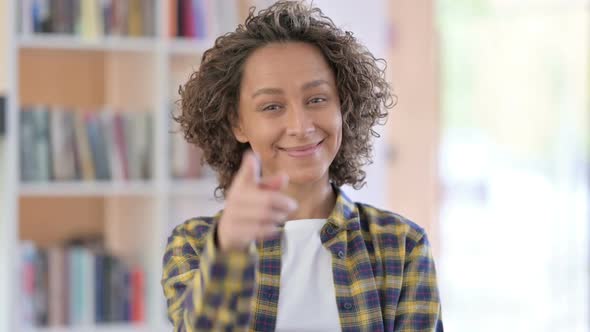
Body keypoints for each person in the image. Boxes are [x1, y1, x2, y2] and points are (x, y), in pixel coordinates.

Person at [161, 1, 443, 331]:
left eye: (316, 99)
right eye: (272, 106)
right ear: (238, 124)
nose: (300, 125)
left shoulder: (402, 245)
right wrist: (231, 249)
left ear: (344, 106)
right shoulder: (195, 244)